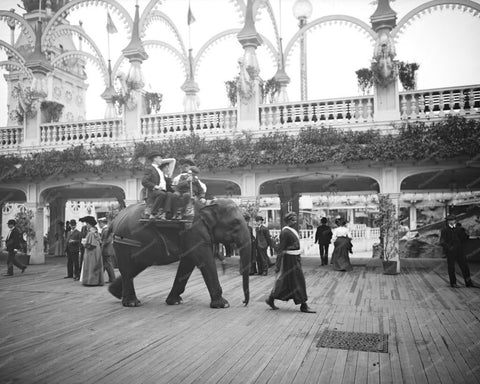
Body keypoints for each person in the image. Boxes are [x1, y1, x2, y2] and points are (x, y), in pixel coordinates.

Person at [265, 212, 315, 313]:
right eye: (292, 220)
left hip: (295, 258)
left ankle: (271, 298)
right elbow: (281, 249)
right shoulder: (285, 232)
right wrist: (278, 264)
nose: (295, 221)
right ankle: (303, 305)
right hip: (289, 260)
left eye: (295, 219)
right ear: (288, 221)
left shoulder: (292, 231)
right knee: (298, 280)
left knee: (286, 281)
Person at [440, 214, 473, 288]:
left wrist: (467, 233)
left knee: (465, 267)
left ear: (455, 220)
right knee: (451, 268)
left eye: (452, 220)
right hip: (451, 252)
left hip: (460, 251)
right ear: (447, 221)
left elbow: (464, 238)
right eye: (449, 220)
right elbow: (442, 241)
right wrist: (449, 248)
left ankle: (468, 283)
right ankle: (453, 283)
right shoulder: (444, 230)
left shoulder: (459, 229)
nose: (451, 221)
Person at [142, 151, 176, 220]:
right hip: (153, 191)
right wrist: (155, 186)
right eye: (160, 158)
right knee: (162, 194)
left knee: (170, 194)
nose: (161, 160)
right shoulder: (150, 169)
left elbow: (173, 160)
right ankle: (153, 213)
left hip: (162, 191)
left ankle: (164, 213)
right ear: (155, 159)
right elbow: (144, 181)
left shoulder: (159, 170)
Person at [79, 216, 104, 286]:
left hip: (91, 252)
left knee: (91, 265)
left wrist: (84, 244)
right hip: (97, 251)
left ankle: (91, 281)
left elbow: (91, 244)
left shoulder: (91, 233)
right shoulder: (95, 231)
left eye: (87, 224)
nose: (86, 225)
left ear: (89, 224)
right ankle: (97, 280)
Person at [98, 217, 116, 283]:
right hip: (108, 250)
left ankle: (112, 279)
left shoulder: (106, 230)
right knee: (107, 265)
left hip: (106, 250)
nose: (99, 225)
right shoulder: (106, 229)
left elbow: (107, 240)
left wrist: (101, 244)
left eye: (99, 224)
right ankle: (111, 279)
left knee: (108, 265)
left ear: (102, 223)